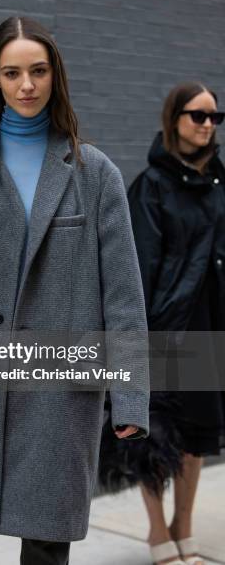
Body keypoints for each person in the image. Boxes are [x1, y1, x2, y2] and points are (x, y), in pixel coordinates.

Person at [0, 16, 150, 565]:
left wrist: (130, 395)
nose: (26, 86)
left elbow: (124, 296)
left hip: (58, 383)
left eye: (38, 71)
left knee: (44, 540)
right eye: (12, 73)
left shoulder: (96, 172)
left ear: (55, 75)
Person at [99, 82, 225, 565]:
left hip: (208, 325)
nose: (208, 125)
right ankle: (157, 534)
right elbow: (138, 268)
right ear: (174, 119)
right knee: (153, 438)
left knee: (196, 438)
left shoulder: (218, 182)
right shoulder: (151, 186)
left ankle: (183, 529)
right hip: (163, 328)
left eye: (215, 117)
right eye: (198, 115)